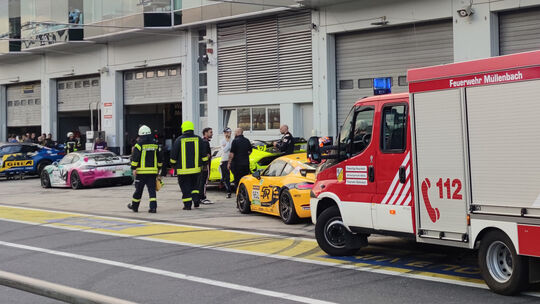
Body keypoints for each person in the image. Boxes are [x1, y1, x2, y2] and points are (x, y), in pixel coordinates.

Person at [170, 121, 207, 210]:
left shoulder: (179, 140)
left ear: (184, 129)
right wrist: (204, 164)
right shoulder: (199, 139)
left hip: (183, 171)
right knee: (195, 186)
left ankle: (187, 205)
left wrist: (173, 164)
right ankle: (196, 200)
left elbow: (173, 155)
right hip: (197, 169)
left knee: (185, 187)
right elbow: (204, 155)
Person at [128, 125, 163, 213]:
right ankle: (153, 208)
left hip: (141, 173)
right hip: (152, 172)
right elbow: (160, 158)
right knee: (152, 191)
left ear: (140, 135)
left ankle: (135, 207)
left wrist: (133, 168)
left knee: (138, 190)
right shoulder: (155, 144)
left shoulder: (138, 145)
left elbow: (135, 158)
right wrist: (159, 168)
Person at [228, 128, 252, 192]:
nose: (234, 133)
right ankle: (245, 192)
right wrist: (244, 155)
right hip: (246, 164)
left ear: (238, 132)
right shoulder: (247, 140)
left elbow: (232, 153)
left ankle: (239, 193)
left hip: (237, 164)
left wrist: (229, 163)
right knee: (245, 179)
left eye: (235, 132)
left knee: (237, 180)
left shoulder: (235, 141)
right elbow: (249, 151)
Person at [199, 127, 213, 204]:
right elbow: (205, 155)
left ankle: (200, 197)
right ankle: (203, 197)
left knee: (202, 181)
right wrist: (208, 157)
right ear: (205, 133)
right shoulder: (205, 142)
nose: (212, 134)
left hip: (203, 165)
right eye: (210, 132)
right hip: (205, 165)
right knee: (204, 181)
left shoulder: (202, 141)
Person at [220, 128, 233, 198]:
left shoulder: (233, 140)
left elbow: (232, 149)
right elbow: (224, 150)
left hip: (232, 160)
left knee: (233, 176)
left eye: (227, 132)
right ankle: (228, 192)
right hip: (224, 160)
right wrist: (228, 143)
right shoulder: (222, 141)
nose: (226, 134)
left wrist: (228, 144)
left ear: (230, 133)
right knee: (226, 177)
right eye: (225, 132)